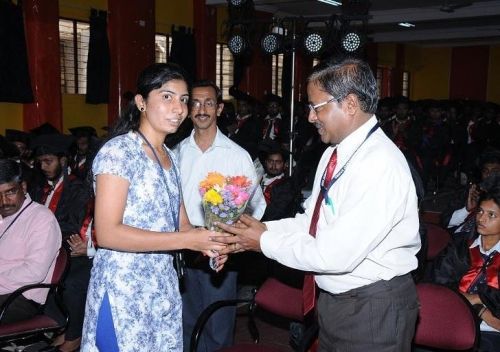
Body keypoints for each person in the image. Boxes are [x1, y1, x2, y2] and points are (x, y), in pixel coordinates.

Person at [215, 57, 421, 351]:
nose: (311, 117)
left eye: (317, 106)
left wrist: (263, 242)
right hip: (338, 301)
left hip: (373, 307)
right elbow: (311, 221)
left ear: (349, 104)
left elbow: (333, 256)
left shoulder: (379, 164)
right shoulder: (335, 152)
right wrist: (260, 229)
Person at [80, 64, 228, 352]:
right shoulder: (119, 152)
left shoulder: (170, 158)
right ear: (141, 102)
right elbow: (108, 233)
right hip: (124, 288)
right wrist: (187, 239)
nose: (179, 108)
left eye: (184, 99)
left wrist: (209, 243)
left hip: (161, 287)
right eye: (167, 97)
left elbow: (182, 225)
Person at [175, 80, 266, 352]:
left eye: (209, 103)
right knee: (185, 323)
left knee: (217, 327)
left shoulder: (237, 156)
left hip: (220, 250)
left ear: (220, 108)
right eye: (195, 103)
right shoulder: (176, 152)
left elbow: (256, 206)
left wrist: (231, 240)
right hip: (182, 248)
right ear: (188, 108)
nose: (202, 109)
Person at [30, 133, 94, 352]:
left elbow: (72, 227)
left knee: (72, 283)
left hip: (70, 249)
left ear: (64, 160)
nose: (43, 166)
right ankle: (60, 328)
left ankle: (74, 334)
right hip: (47, 248)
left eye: (49, 161)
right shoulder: (39, 186)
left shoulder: (77, 188)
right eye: (40, 162)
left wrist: (41, 236)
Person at [432, 174, 500, 350]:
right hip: (452, 319)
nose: (481, 218)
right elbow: (440, 283)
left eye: (491, 215)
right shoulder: (461, 246)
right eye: (480, 211)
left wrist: (476, 299)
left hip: (490, 331)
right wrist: (481, 306)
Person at [0, 159, 61, 323]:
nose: (4, 201)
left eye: (10, 192)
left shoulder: (42, 219)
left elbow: (34, 272)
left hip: (20, 297)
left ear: (23, 187)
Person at [442, 149, 500, 237]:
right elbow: (445, 222)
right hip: (457, 242)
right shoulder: (472, 193)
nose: (489, 175)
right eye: (485, 171)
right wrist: (466, 210)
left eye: (494, 171)